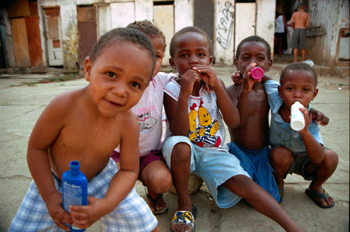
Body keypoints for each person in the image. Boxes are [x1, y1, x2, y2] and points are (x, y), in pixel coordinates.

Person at [9, 28, 160, 232]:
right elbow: (36, 149)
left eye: (134, 84)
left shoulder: (128, 122)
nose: (120, 90)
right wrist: (50, 196)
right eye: (111, 74)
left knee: (148, 225)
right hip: (54, 181)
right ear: (88, 69)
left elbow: (128, 170)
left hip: (102, 178)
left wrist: (107, 204)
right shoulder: (63, 106)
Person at [162, 26, 305, 232]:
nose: (194, 60)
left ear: (210, 61)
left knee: (245, 184)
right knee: (181, 146)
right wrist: (185, 94)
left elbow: (234, 121)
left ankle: (292, 226)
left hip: (214, 152)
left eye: (200, 55)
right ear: (173, 63)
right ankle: (184, 205)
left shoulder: (215, 84)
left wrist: (219, 87)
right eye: (184, 55)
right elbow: (179, 132)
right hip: (183, 150)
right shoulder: (173, 89)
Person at [111, 20, 175, 215]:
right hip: (118, 155)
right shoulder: (113, 86)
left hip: (148, 154)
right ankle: (127, 197)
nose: (148, 62)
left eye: (155, 56)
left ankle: (154, 194)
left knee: (162, 181)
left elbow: (184, 77)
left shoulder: (162, 80)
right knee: (112, 189)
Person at [265, 62, 338, 208]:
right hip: (282, 158)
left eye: (305, 90)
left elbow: (318, 158)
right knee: (279, 154)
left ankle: (315, 187)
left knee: (331, 157)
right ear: (280, 91)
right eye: (290, 88)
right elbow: (265, 79)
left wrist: (304, 131)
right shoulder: (275, 98)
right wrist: (243, 76)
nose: (297, 94)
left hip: (307, 159)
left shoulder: (311, 119)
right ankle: (278, 183)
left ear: (314, 94)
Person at [226, 35, 282, 202]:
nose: (253, 63)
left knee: (269, 199)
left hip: (263, 153)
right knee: (236, 191)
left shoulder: (269, 91)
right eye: (245, 58)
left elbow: (285, 93)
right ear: (236, 63)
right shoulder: (232, 91)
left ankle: (272, 181)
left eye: (260, 58)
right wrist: (245, 89)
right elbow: (238, 122)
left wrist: (262, 77)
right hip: (238, 151)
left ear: (269, 64)